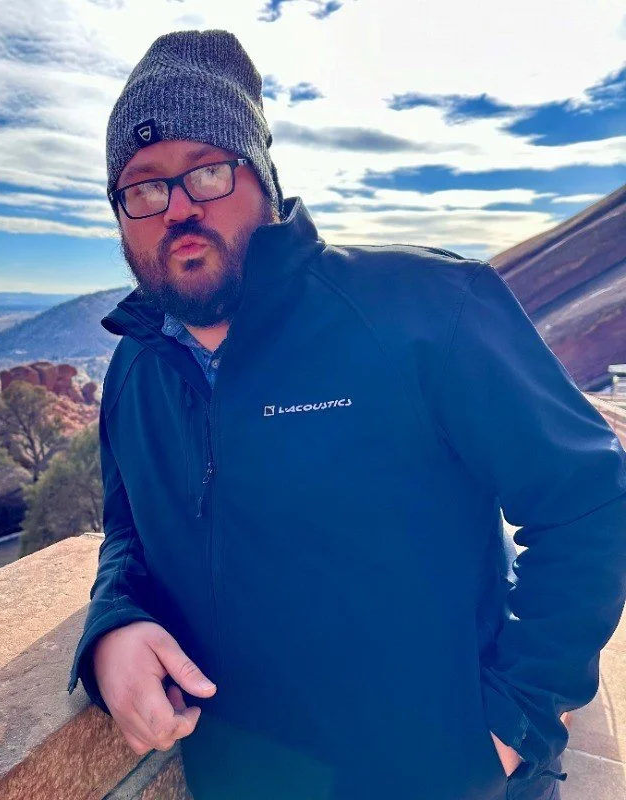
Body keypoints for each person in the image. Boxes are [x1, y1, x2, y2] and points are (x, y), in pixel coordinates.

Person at [67, 29, 626, 800]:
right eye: (144, 186)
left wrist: (512, 723)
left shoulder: (426, 308)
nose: (178, 208)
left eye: (208, 171)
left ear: (261, 176)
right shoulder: (135, 369)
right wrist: (112, 628)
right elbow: (128, 532)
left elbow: (589, 499)